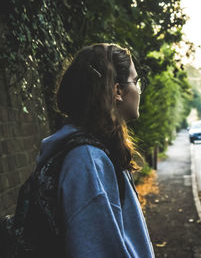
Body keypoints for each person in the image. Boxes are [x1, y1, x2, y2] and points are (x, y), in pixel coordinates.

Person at [35, 43, 154, 257]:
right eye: (136, 81)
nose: (138, 89)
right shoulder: (87, 161)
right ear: (118, 90)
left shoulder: (98, 153)